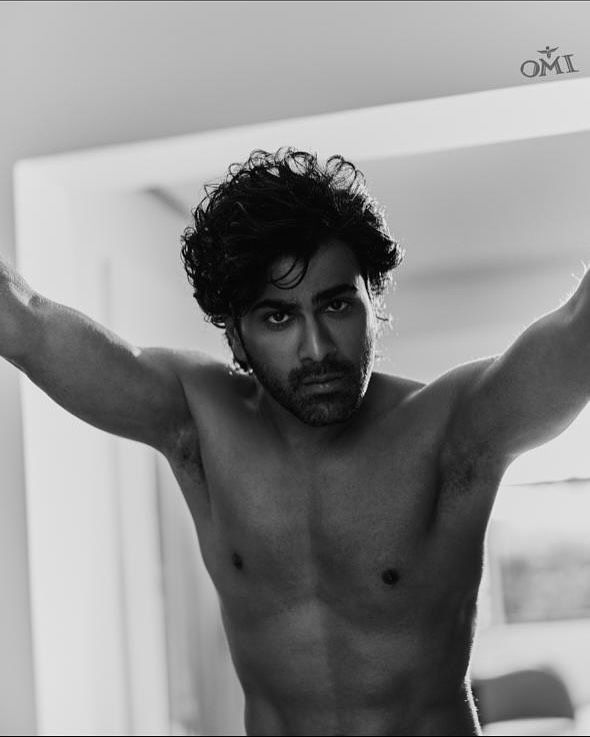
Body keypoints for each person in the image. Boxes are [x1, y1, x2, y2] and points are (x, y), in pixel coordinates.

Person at [1, 147, 588, 736]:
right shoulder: (199, 423)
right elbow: (22, 321)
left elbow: (578, 334)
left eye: (337, 305)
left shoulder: (453, 428)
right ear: (236, 337)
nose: (317, 348)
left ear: (373, 303)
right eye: (278, 318)